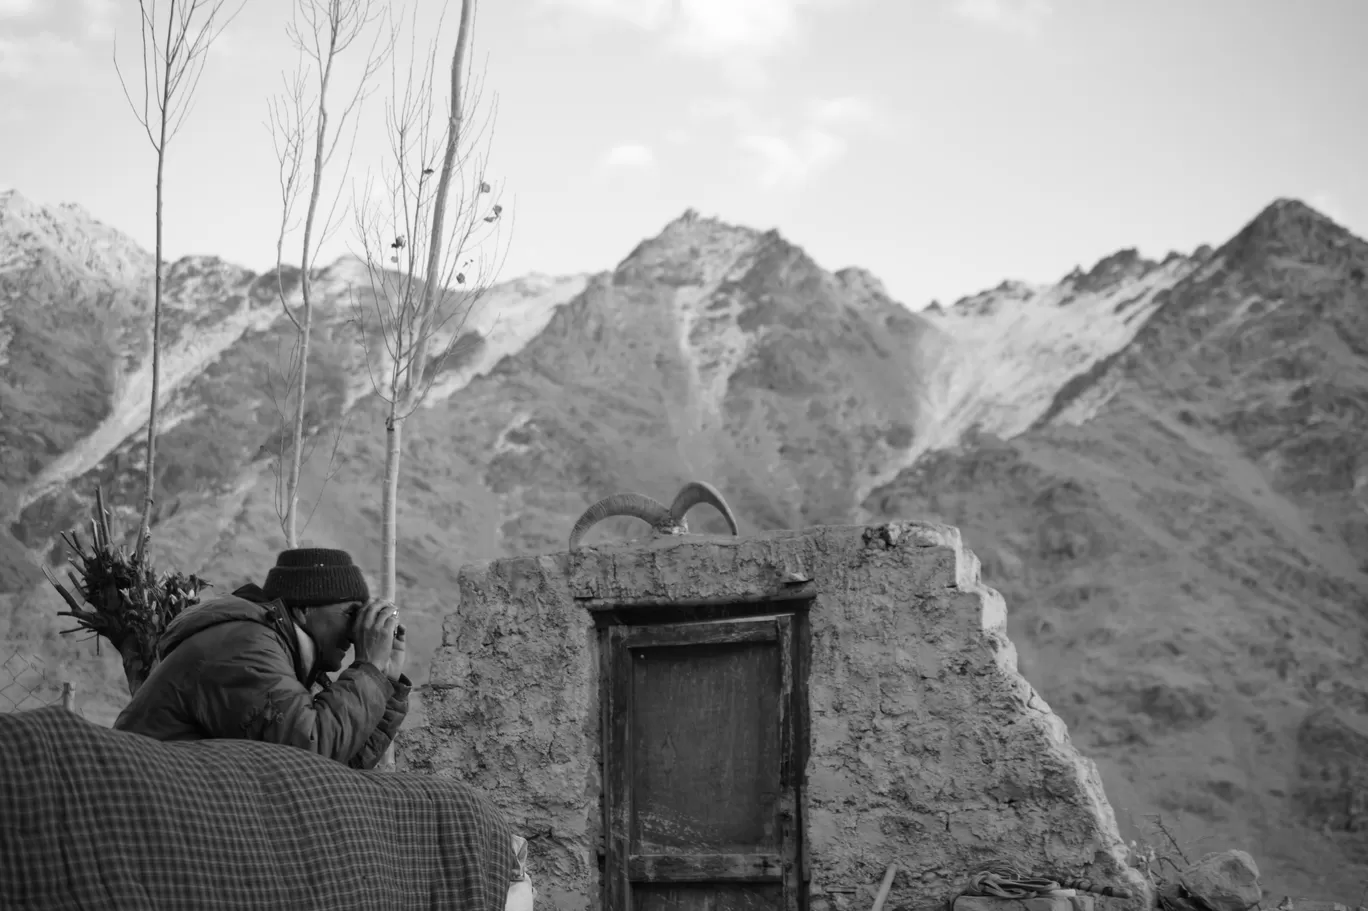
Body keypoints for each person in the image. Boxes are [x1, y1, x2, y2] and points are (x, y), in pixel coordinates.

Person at [114, 548, 410, 770]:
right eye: (351, 615)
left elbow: (339, 767)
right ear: (304, 609)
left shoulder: (283, 659)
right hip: (137, 808)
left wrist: (386, 679)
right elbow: (309, 753)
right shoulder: (244, 647)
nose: (356, 632)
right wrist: (368, 668)